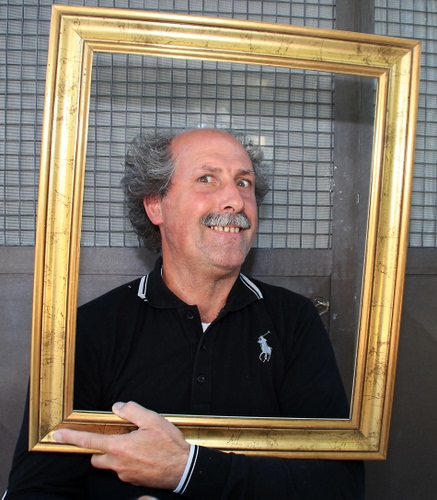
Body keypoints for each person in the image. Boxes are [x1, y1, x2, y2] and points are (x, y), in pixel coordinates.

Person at [5, 128, 365, 499]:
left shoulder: (294, 321)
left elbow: (340, 486)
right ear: (155, 206)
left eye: (244, 183)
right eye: (206, 179)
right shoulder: (89, 331)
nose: (235, 200)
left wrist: (187, 470)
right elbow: (34, 491)